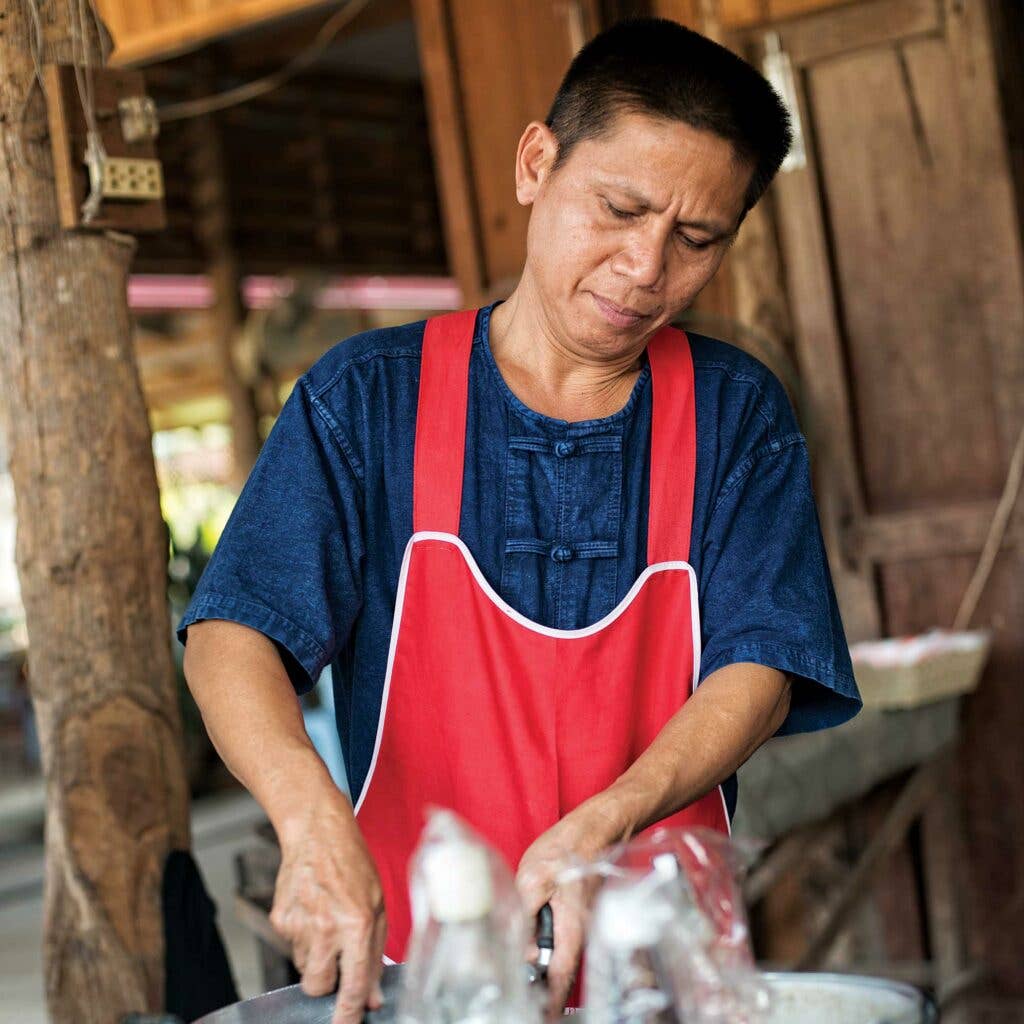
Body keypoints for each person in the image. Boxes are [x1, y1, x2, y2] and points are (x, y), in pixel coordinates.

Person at [179, 17, 861, 1024]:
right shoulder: (367, 401)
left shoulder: (735, 413)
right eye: (619, 209)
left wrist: (606, 824)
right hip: (422, 973)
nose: (644, 266)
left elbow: (761, 666)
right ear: (536, 163)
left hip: (659, 962)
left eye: (696, 238)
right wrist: (307, 812)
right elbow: (235, 634)